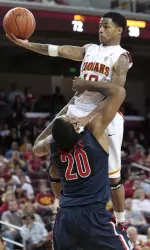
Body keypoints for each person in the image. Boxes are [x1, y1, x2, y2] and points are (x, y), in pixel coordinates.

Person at [7, 11, 133, 226]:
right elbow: (59, 50)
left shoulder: (121, 57)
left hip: (105, 114)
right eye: (100, 26)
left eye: (106, 26)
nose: (101, 30)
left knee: (113, 177)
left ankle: (121, 221)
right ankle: (60, 206)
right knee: (41, 150)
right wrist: (27, 44)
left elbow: (116, 93)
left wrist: (88, 116)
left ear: (119, 30)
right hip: (77, 107)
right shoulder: (89, 49)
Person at [33, 79, 134, 249]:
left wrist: (59, 199)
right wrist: (87, 86)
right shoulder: (93, 132)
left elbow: (37, 149)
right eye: (71, 119)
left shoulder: (53, 145)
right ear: (76, 127)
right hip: (91, 214)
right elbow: (119, 92)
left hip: (65, 216)